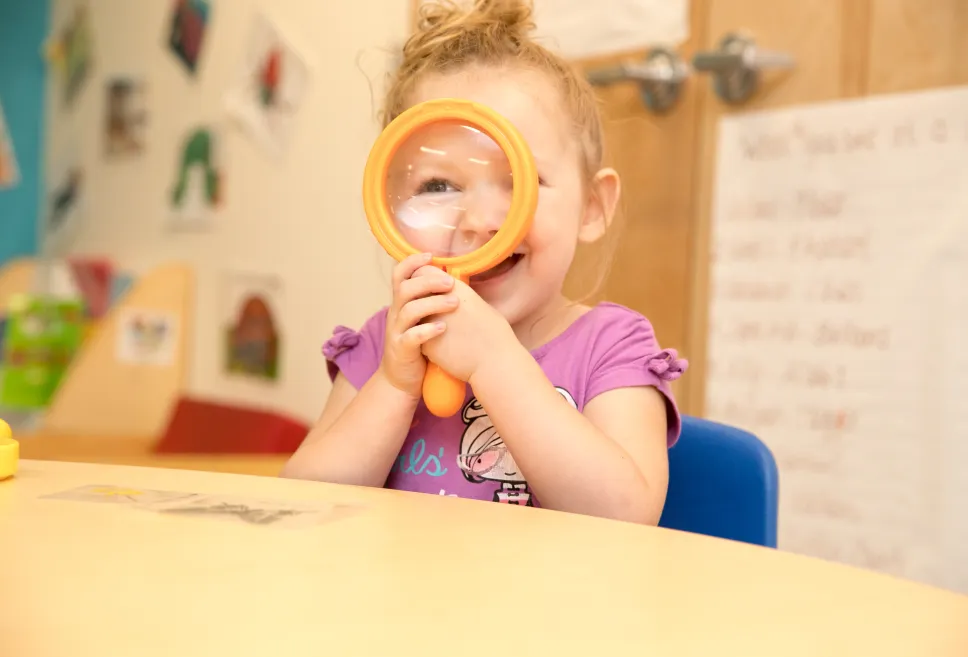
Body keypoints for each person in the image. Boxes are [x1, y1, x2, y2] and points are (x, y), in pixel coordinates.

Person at [281, 0, 687, 524]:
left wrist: (495, 362)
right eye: (438, 186)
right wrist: (394, 386)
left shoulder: (612, 348)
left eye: (518, 181)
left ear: (592, 207)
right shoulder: (388, 343)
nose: (478, 220)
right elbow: (301, 505)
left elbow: (625, 516)